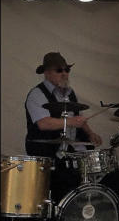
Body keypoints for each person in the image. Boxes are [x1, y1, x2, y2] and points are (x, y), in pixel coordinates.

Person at [25, 52, 102, 201]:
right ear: (47, 73)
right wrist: (71, 122)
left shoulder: (70, 93)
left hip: (68, 151)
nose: (64, 73)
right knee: (63, 183)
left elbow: (78, 118)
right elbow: (43, 123)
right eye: (59, 70)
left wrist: (90, 133)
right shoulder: (37, 94)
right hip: (46, 153)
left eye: (67, 70)